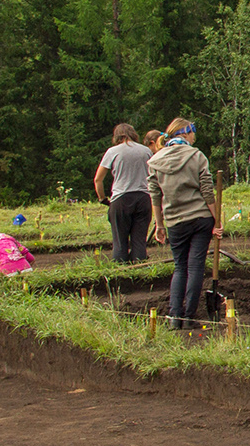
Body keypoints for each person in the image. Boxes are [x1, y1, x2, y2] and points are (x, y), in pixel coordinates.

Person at [147, 117, 222, 329]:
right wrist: (217, 220)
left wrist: (159, 225)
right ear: (186, 133)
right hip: (200, 217)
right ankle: (189, 317)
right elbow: (207, 190)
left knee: (180, 267)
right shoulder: (196, 156)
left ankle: (174, 317)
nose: (194, 136)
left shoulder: (155, 160)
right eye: (193, 132)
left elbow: (155, 195)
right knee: (195, 266)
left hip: (174, 220)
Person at [93, 123, 154, 263]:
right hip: (144, 198)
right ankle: (139, 267)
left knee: (120, 240)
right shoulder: (146, 151)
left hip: (121, 198)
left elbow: (98, 179)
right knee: (139, 240)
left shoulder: (113, 151)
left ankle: (121, 268)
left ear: (117, 136)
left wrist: (102, 198)